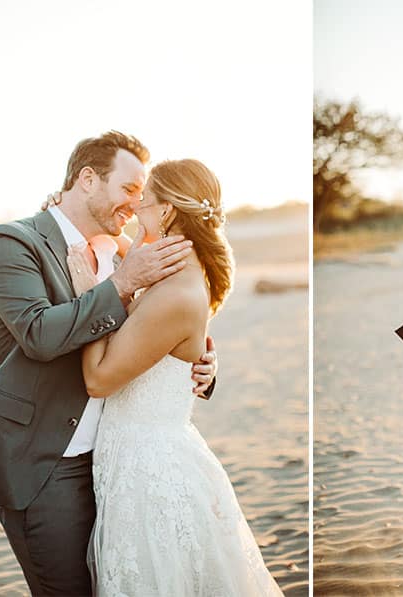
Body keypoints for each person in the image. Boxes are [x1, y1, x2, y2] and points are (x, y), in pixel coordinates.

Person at [0, 131, 218, 596]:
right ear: (88, 180)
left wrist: (200, 365)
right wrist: (119, 285)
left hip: (121, 465)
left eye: (143, 194)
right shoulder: (13, 243)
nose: (136, 206)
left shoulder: (123, 251)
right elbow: (38, 334)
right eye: (129, 189)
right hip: (49, 462)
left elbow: (159, 331)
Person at [67, 158, 283, 596]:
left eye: (143, 201)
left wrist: (92, 294)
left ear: (166, 212)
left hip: (150, 473)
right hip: (134, 457)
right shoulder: (170, 269)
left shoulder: (175, 291)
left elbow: (99, 380)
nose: (133, 211)